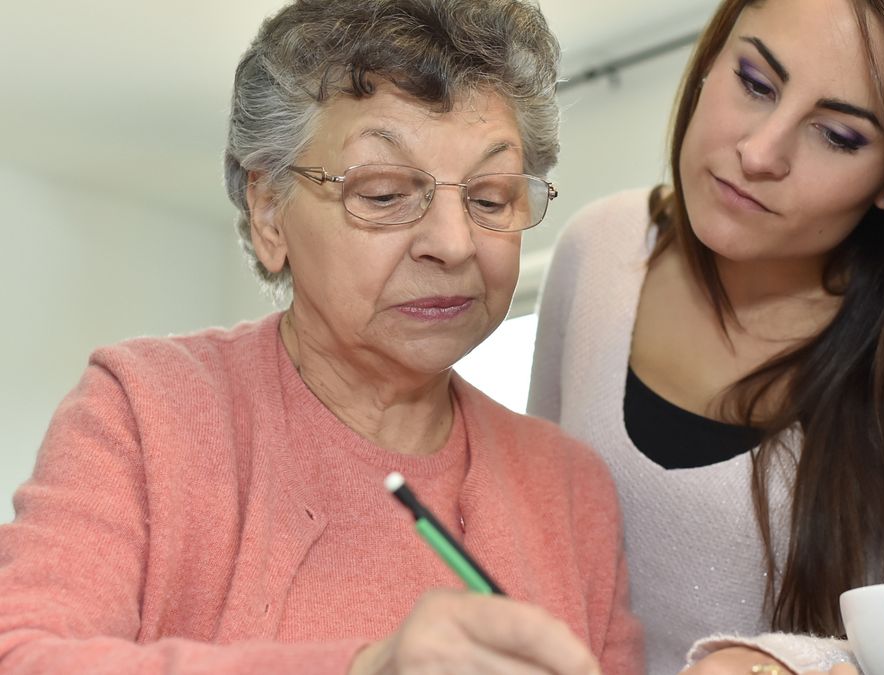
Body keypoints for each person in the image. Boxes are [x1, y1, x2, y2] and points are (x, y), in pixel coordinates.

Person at [0, 1, 643, 673]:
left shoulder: (570, 488)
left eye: (489, 198)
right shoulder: (145, 412)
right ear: (270, 210)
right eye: (386, 192)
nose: (454, 244)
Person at [528, 0, 884, 672]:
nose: (759, 152)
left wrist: (783, 664)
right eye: (755, 82)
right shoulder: (598, 250)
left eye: (838, 135)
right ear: (714, 52)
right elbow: (531, 544)